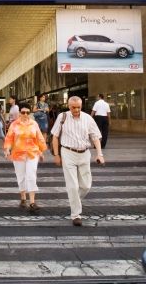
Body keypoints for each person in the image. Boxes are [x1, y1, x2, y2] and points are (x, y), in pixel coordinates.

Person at [51, 96, 105, 227]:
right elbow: (55, 136)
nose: (76, 110)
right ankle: (76, 215)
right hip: (67, 152)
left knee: (86, 185)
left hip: (84, 153)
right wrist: (56, 155)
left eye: (78, 107)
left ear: (81, 106)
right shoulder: (62, 117)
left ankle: (74, 200)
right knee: (73, 186)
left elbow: (96, 137)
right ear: (69, 106)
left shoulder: (88, 118)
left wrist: (99, 154)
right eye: (73, 107)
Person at [3, 102, 47, 212]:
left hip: (32, 153)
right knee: (21, 176)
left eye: (27, 112)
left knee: (31, 175)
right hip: (18, 154)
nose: (25, 114)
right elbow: (9, 138)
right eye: (23, 112)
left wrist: (41, 151)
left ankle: (32, 202)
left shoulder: (34, 124)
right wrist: (7, 149)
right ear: (19, 113)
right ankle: (23, 198)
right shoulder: (14, 124)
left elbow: (39, 138)